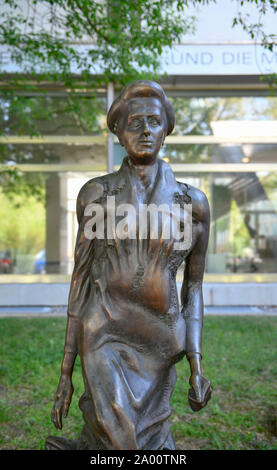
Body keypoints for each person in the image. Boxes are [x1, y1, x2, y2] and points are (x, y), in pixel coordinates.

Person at [47, 80, 212, 451]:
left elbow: (194, 288)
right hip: (104, 330)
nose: (145, 131)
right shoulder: (97, 195)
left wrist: (196, 366)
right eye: (134, 122)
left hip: (161, 341)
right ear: (118, 132)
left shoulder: (193, 203)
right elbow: (81, 282)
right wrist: (65, 373)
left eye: (154, 121)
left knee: (150, 442)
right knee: (122, 440)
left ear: (166, 130)